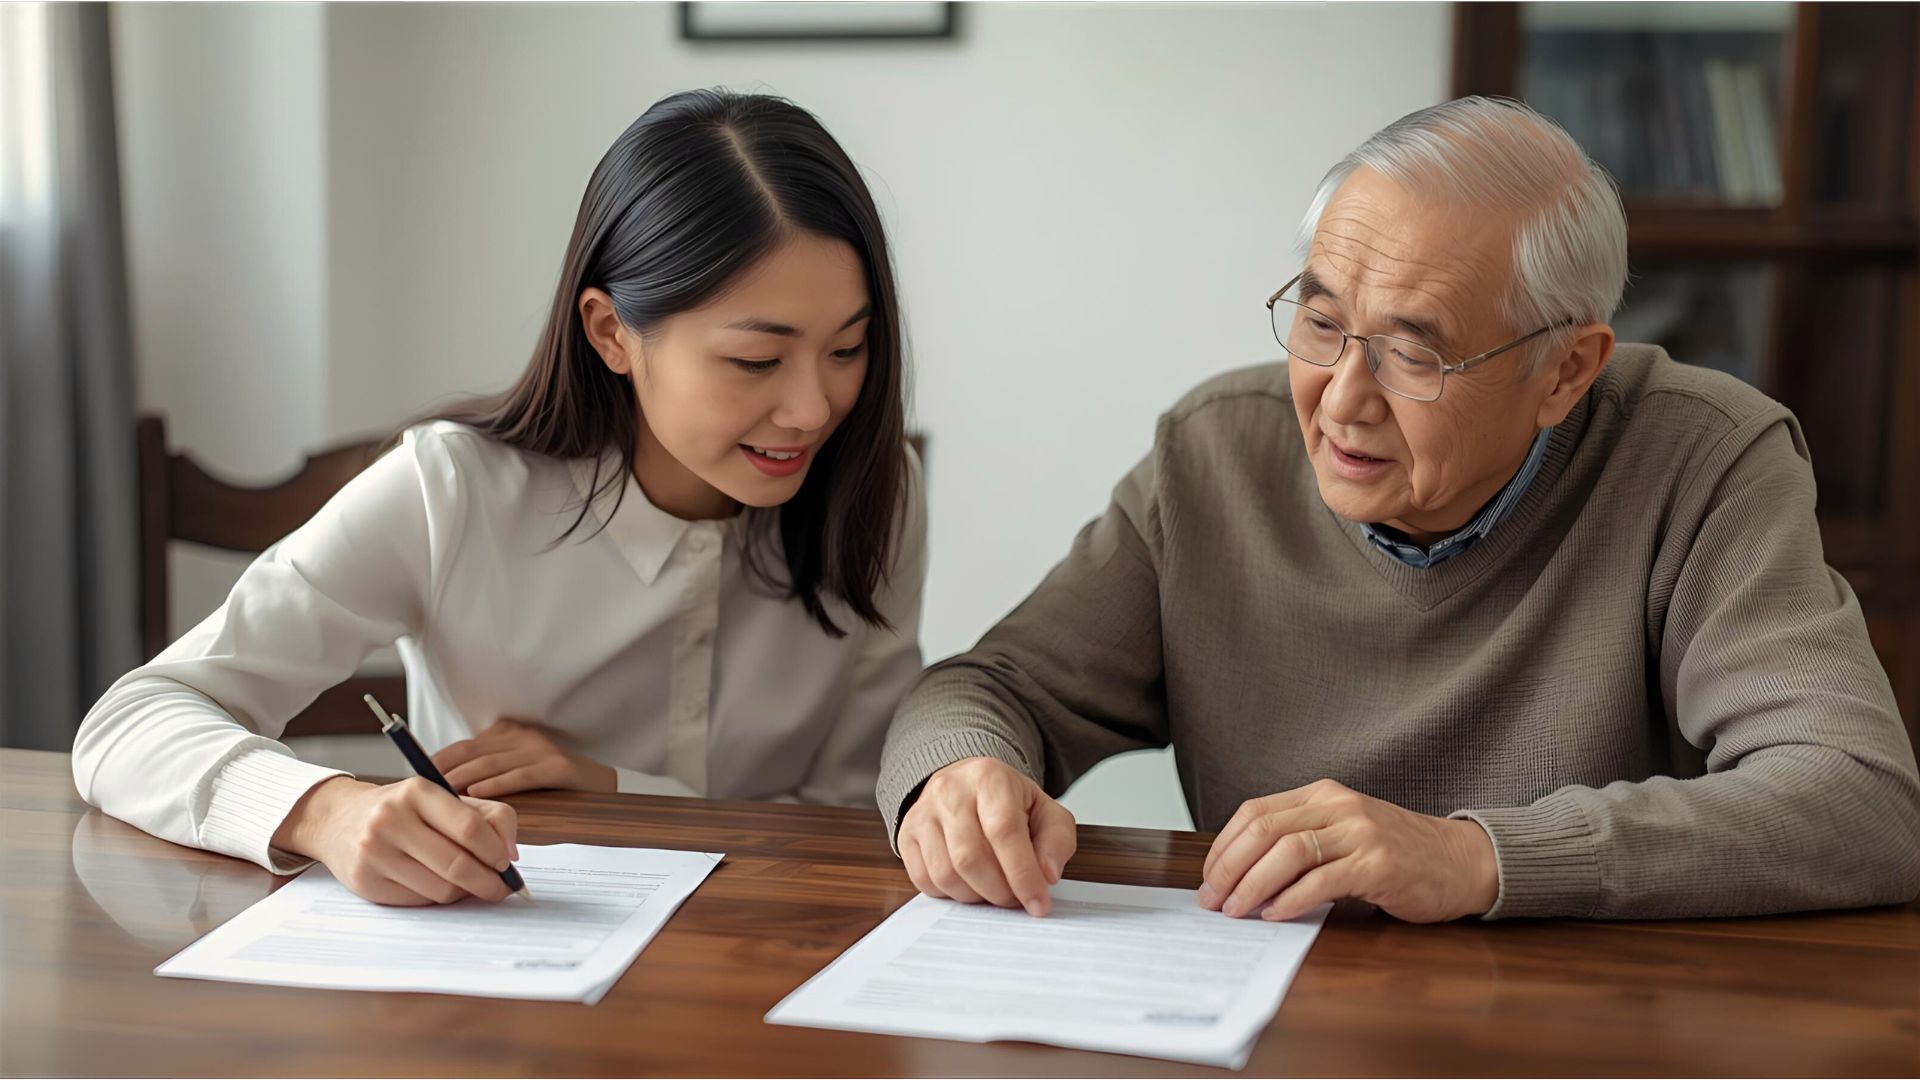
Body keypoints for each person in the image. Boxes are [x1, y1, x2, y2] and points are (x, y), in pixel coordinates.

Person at [879, 96, 1920, 923]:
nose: (1340, 398)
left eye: (1415, 352)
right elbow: (987, 688)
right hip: (1265, 1015)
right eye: (1321, 323)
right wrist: (959, 777)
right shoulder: (1216, 455)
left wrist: (1476, 856)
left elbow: (1862, 800)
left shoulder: (1701, 458)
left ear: (1566, 372)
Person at [75, 89, 927, 907]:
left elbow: (858, 816)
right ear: (610, 333)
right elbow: (130, 723)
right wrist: (328, 811)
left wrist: (620, 792)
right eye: (756, 361)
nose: (814, 409)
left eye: (848, 349)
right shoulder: (454, 491)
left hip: (768, 972)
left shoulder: (876, 495)